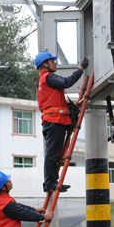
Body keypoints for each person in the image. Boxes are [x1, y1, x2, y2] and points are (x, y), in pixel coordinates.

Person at [35, 51, 89, 193]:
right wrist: (81, 70)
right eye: (52, 61)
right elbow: (66, 82)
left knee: (55, 154)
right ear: (45, 64)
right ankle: (49, 183)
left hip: (55, 121)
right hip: (54, 121)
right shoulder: (48, 77)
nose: (55, 63)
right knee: (53, 154)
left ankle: (52, 181)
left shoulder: (44, 80)